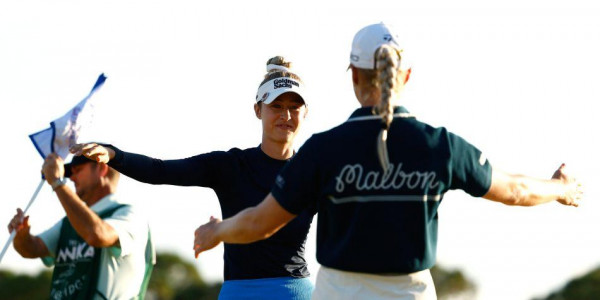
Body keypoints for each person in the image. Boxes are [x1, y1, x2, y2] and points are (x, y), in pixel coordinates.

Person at [191, 23, 584, 300]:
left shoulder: (323, 149)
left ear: (354, 78)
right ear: (406, 75)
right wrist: (562, 189)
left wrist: (218, 231)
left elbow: (260, 223)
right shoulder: (439, 145)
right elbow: (515, 190)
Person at [70, 56, 314, 299]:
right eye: (276, 106)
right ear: (258, 110)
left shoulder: (316, 169)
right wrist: (113, 154)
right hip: (240, 291)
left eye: (295, 107)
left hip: (295, 291)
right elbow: (160, 170)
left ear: (306, 112)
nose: (287, 115)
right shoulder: (230, 165)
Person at [8, 154, 155, 300]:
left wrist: (57, 183)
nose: (71, 178)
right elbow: (33, 249)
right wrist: (21, 234)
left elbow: (97, 234)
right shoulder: (69, 222)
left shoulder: (130, 214)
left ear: (101, 168)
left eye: (77, 170)